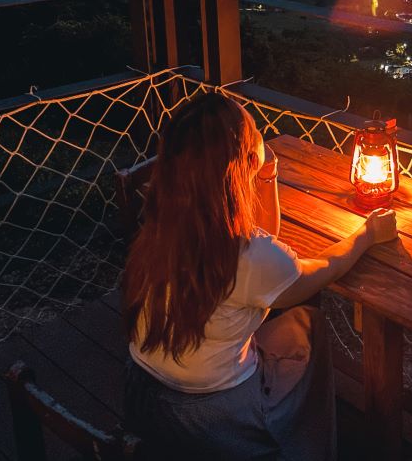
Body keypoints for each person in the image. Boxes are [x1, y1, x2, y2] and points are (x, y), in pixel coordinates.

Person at [122, 91, 397, 460]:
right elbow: (320, 270)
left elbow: (266, 249)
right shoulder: (246, 257)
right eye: (253, 131)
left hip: (140, 391)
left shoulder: (163, 218)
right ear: (244, 160)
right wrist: (366, 235)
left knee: (273, 318)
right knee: (308, 322)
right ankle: (303, 446)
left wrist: (267, 175)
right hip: (209, 418)